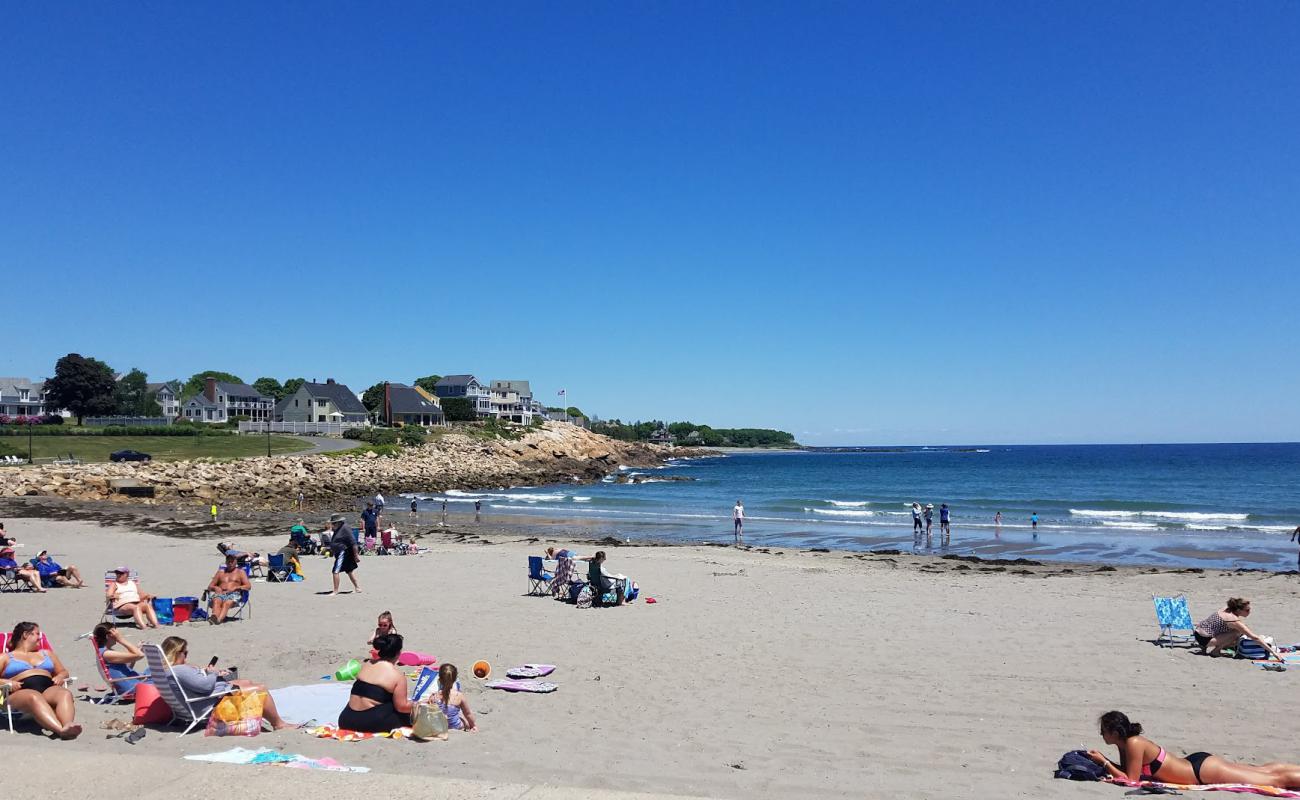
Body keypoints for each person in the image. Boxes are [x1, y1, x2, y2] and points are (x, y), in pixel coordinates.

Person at [1087, 710, 1300, 788]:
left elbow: (1131, 780)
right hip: (1197, 765)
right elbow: (1127, 773)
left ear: (1114, 733)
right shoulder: (1126, 745)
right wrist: (1105, 761)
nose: (1102, 735)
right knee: (1263, 770)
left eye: (1103, 731)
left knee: (1274, 780)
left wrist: (1104, 762)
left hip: (1201, 772)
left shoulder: (1133, 744)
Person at [160, 636, 291, 729]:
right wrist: (214, 673)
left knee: (246, 682)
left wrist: (201, 671)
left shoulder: (165, 671)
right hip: (212, 706)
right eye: (185, 653)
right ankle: (278, 724)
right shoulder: (179, 670)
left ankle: (268, 714)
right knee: (261, 688)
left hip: (200, 702)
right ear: (176, 653)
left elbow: (193, 684)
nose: (186, 656)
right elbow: (205, 687)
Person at [0, 622, 81, 739]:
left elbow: (63, 671)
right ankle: (61, 730)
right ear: (25, 635)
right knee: (33, 696)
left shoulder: (47, 654)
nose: (40, 637)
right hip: (16, 694)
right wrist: (7, 683)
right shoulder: (5, 657)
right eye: (37, 634)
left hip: (47, 689)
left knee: (64, 694)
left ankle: (68, 724)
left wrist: (60, 676)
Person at [338, 633, 417, 732]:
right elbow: (402, 707)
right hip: (369, 723)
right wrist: (420, 704)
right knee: (409, 715)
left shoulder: (367, 664)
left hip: (346, 720)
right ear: (398, 653)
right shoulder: (397, 676)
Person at [1193, 597, 1282, 660]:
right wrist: (1273, 653)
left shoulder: (1227, 608)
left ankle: (1205, 646)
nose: (1249, 612)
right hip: (1204, 639)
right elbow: (1254, 637)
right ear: (1239, 610)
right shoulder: (1233, 620)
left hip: (1198, 632)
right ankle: (1215, 651)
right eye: (1247, 610)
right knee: (1237, 632)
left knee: (1233, 629)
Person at [91, 622, 148, 695]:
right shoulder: (107, 654)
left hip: (129, 683)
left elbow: (125, 669)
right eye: (115, 634)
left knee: (151, 670)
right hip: (131, 687)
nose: (117, 635)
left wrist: (137, 650)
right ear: (108, 636)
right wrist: (121, 639)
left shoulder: (104, 652)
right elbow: (140, 655)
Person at [207, 554, 251, 625]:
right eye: (228, 561)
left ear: (235, 562)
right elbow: (210, 586)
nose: (230, 563)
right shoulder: (220, 573)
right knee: (217, 601)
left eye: (232, 561)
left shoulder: (240, 572)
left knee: (227, 603)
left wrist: (236, 587)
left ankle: (218, 620)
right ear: (226, 562)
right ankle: (214, 617)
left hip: (234, 594)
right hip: (220, 593)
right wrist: (216, 588)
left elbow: (248, 586)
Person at [434, 663, 478, 732]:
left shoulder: (434, 696)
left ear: (439, 680)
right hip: (455, 726)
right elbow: (468, 714)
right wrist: (473, 726)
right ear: (455, 680)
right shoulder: (459, 696)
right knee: (463, 719)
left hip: (438, 727)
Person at [327, 513, 362, 595]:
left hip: (343, 552)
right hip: (338, 552)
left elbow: (353, 542)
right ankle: (357, 588)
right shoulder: (337, 529)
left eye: (333, 523)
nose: (332, 525)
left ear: (338, 522)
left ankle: (335, 591)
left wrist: (356, 555)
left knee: (335, 571)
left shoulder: (345, 528)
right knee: (349, 570)